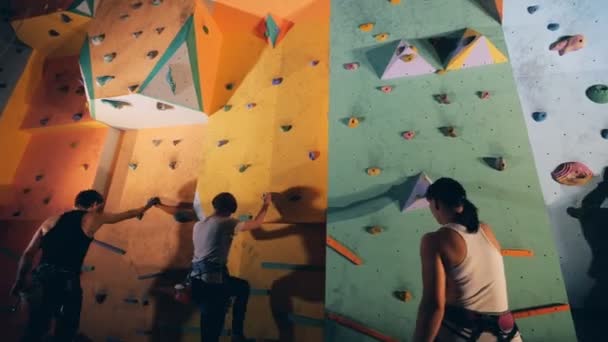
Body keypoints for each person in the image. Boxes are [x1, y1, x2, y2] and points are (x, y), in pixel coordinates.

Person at [9, 189, 158, 342]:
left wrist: (19, 280)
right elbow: (125, 214)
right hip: (66, 280)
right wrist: (146, 207)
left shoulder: (50, 221)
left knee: (35, 329)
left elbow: (27, 254)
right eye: (100, 206)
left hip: (40, 278)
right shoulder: (92, 218)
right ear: (94, 204)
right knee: (67, 329)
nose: (101, 210)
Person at [414, 178, 522, 342]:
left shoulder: (434, 240)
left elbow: (434, 306)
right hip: (507, 332)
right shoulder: (485, 230)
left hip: (464, 331)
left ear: (436, 204)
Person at [155, 192, 271, 342]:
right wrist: (266, 203)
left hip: (197, 282)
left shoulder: (199, 224)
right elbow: (257, 223)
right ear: (230, 210)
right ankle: (237, 334)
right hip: (213, 285)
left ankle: (236, 334)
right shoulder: (226, 223)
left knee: (238, 291)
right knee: (213, 328)